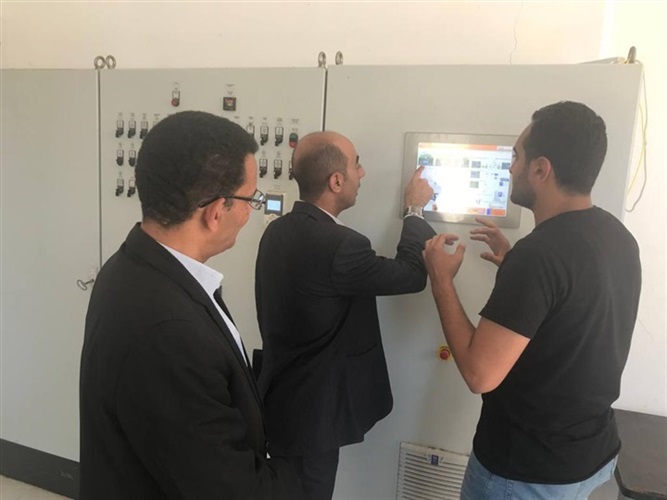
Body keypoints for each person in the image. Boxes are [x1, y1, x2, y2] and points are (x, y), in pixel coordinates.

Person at [422, 101, 642, 499]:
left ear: (541, 169)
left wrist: (441, 280)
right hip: (589, 456)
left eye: (516, 157)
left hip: (526, 474)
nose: (510, 169)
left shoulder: (539, 255)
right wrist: (515, 266)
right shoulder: (618, 237)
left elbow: (479, 374)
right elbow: (572, 311)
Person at [79, 111, 302, 500]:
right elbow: (228, 490)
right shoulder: (169, 332)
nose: (249, 212)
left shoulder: (131, 264)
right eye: (250, 199)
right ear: (215, 212)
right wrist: (299, 476)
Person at [254, 131, 436, 500]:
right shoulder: (341, 246)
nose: (362, 173)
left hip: (282, 402)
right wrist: (414, 210)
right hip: (313, 418)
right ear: (336, 181)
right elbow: (411, 276)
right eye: (357, 164)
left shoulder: (277, 230)